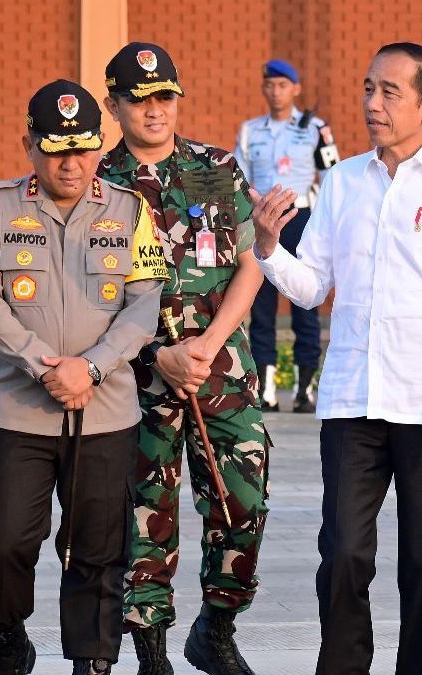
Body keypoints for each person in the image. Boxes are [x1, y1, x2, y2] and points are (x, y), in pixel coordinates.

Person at [252, 42, 422, 675]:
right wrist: (266, 246)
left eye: (390, 92)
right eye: (369, 89)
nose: (372, 104)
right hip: (353, 400)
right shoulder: (342, 182)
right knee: (342, 555)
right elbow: (311, 285)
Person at [0, 80, 168, 675]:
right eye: (56, 147)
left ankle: (93, 661)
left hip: (105, 411)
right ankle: (7, 642)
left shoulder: (132, 210)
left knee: (97, 549)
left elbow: (144, 302)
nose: (71, 162)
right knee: (5, 543)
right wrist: (43, 365)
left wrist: (94, 366)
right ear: (28, 142)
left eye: (83, 147)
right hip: (16, 411)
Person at [96, 42, 269, 675]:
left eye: (164, 97)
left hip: (221, 371)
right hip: (134, 378)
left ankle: (216, 629)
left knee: (242, 501)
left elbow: (249, 268)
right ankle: (152, 653)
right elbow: (87, 297)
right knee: (144, 513)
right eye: (138, 100)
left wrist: (207, 343)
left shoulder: (217, 168)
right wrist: (157, 353)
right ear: (114, 105)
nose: (154, 110)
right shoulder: (96, 184)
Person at [234, 58, 340, 413]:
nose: (276, 91)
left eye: (283, 85)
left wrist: (328, 221)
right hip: (264, 220)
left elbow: (332, 175)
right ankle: (265, 386)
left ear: (295, 88)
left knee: (305, 304)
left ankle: (304, 387)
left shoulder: (315, 128)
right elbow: (240, 179)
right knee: (261, 306)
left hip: (302, 217)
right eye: (270, 85)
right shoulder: (250, 130)